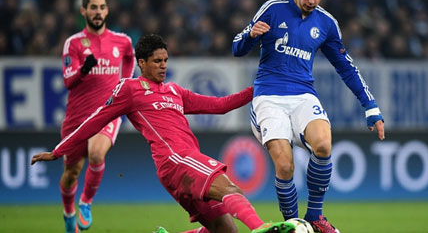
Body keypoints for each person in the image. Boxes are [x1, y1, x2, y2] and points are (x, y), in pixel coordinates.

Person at [31, 34, 295, 233]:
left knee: (226, 231)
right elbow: (95, 121)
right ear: (141, 63)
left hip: (183, 164)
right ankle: (262, 228)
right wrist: (59, 151)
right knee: (232, 188)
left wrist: (258, 88)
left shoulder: (175, 91)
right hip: (176, 160)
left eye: (165, 60)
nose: (163, 65)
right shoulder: (129, 89)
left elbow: (220, 106)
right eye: (157, 61)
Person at [231, 0, 385, 233]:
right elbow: (237, 47)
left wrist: (370, 105)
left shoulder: (326, 23)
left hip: (303, 94)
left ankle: (314, 216)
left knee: (324, 144)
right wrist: (250, 36)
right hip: (268, 95)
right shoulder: (272, 8)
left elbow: (346, 66)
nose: (311, 0)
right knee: (285, 163)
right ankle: (293, 223)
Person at [58, 0, 135, 233]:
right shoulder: (73, 43)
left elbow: (130, 58)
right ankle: (69, 213)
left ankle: (86, 203)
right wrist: (83, 69)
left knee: (97, 154)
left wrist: (124, 85)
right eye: (93, 7)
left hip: (107, 113)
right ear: (83, 11)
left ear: (107, 10)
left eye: (102, 7)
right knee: (71, 173)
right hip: (77, 118)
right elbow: (68, 81)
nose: (98, 12)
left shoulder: (122, 42)